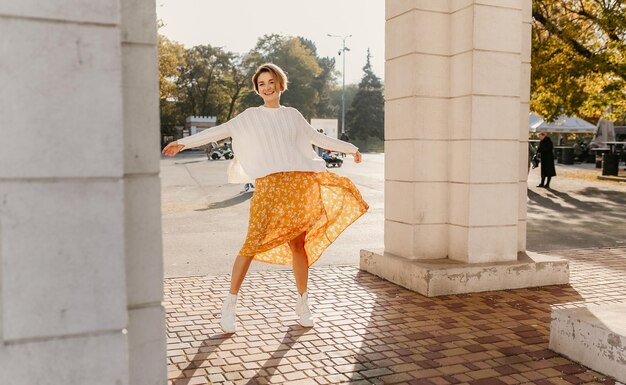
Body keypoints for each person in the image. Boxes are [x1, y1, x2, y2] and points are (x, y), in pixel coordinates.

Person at [162, 63, 368, 333]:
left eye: (271, 82)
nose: (267, 87)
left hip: (299, 185)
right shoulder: (249, 117)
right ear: (257, 89)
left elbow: (316, 137)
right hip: (269, 187)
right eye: (262, 84)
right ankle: (230, 303)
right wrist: (183, 143)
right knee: (252, 242)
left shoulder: (293, 115)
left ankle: (303, 302)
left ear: (280, 84)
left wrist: (350, 148)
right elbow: (218, 130)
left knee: (298, 245)